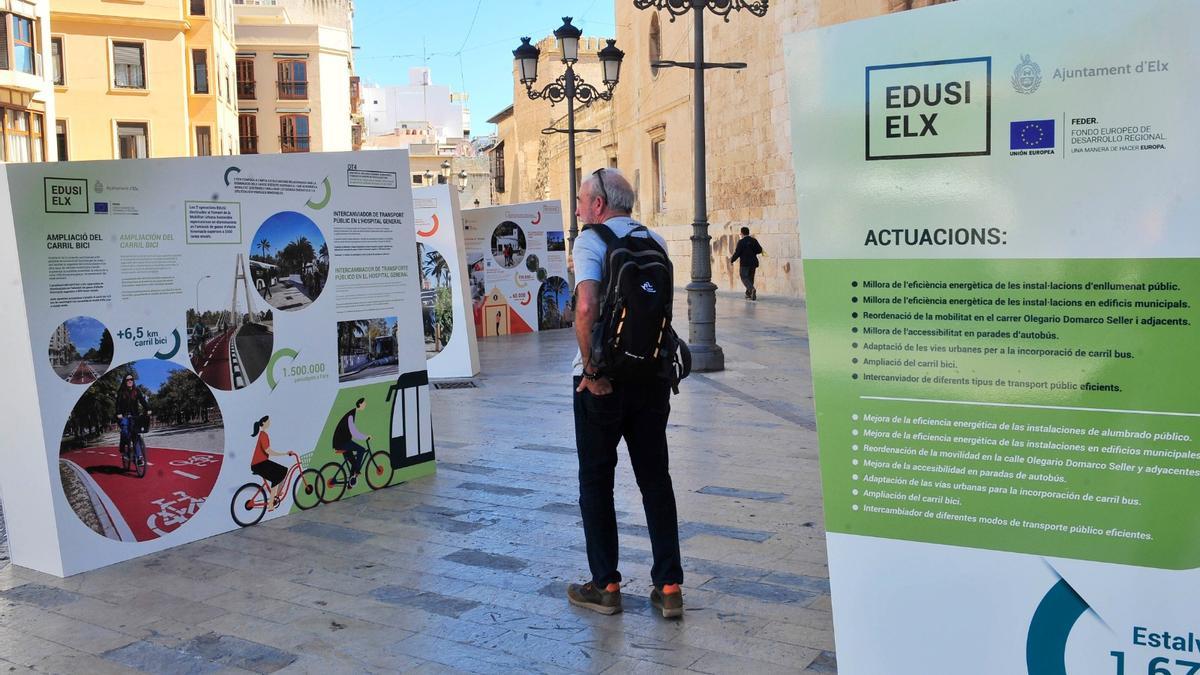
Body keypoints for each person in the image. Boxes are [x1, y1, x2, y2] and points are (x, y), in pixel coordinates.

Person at [567, 167, 684, 619]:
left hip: (605, 381)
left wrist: (592, 371)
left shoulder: (591, 240)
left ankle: (606, 585)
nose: (579, 209)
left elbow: (586, 306)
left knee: (596, 480)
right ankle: (669, 586)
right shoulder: (656, 241)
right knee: (655, 480)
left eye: (582, 201)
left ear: (598, 204)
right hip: (652, 378)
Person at [249, 416, 288, 508]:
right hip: (259, 464)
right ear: (263, 423)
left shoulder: (263, 434)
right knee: (277, 477)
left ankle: (277, 494)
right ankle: (271, 504)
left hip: (261, 463)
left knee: (284, 470)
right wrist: (284, 454)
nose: (269, 422)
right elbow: (268, 451)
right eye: (268, 421)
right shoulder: (263, 435)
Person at [331, 397, 370, 488]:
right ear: (360, 404)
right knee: (361, 450)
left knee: (354, 462)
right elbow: (354, 432)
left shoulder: (352, 413)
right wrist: (365, 437)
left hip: (342, 441)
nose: (365, 405)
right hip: (342, 442)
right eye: (364, 403)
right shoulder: (351, 416)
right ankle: (357, 471)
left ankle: (350, 483)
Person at [114, 372, 151, 462]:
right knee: (125, 431)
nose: (130, 381)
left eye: (131, 379)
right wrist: (119, 413)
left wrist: (148, 409)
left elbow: (142, 401)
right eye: (128, 380)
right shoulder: (121, 392)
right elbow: (117, 405)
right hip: (124, 416)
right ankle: (124, 451)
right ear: (125, 381)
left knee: (135, 435)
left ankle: (139, 457)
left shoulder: (136, 391)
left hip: (135, 416)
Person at [730, 226, 764, 301]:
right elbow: (759, 250)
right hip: (753, 262)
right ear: (748, 233)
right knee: (750, 278)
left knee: (744, 277)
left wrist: (732, 260)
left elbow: (737, 253)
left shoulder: (741, 242)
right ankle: (748, 294)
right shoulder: (754, 240)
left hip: (745, 263)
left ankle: (751, 289)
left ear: (742, 233)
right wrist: (753, 251)